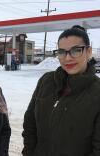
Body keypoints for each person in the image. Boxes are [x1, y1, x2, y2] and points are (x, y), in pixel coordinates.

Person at [22, 25, 100, 156]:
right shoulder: (46, 81)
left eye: (76, 50)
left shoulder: (97, 92)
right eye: (62, 52)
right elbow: (30, 124)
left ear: (88, 51)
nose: (67, 58)